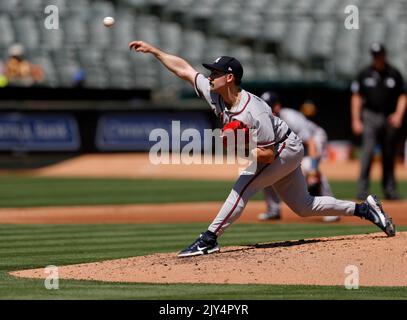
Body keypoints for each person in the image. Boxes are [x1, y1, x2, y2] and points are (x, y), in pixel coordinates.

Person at [129, 40, 396, 258]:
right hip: (278, 150)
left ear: (229, 77)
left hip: (286, 148)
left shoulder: (253, 111)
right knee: (304, 207)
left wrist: (239, 147)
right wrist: (154, 51)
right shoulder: (214, 94)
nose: (210, 76)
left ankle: (208, 239)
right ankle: (365, 209)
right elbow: (184, 70)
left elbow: (267, 154)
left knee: (243, 186)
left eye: (216, 73)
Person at [257, 92, 340, 223]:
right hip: (294, 145)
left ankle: (332, 210)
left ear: (277, 107)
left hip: (315, 138)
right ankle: (273, 210)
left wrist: (313, 169)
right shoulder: (264, 121)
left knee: (309, 167)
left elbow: (311, 142)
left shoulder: (291, 118)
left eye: (270, 106)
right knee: (266, 168)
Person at [351, 43, 407, 201]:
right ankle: (362, 190)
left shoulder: (394, 73)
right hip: (370, 116)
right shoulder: (365, 73)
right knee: (367, 153)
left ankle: (390, 190)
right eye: (374, 55)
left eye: (379, 55)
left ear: (384, 55)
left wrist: (398, 115)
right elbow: (356, 97)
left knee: (388, 155)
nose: (377, 58)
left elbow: (403, 95)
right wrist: (356, 119)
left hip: (389, 117)